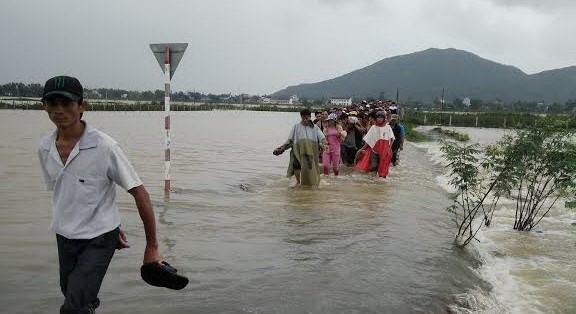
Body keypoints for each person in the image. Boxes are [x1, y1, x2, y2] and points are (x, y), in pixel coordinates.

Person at [37, 76, 163, 313]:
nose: (58, 110)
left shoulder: (105, 147)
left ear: (82, 106)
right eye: (51, 103)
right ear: (44, 106)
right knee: (76, 296)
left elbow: (140, 193)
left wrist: (152, 246)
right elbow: (65, 193)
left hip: (99, 239)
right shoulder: (44, 148)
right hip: (64, 236)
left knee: (73, 307)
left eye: (66, 103)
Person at [274, 108, 326, 186]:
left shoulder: (314, 127)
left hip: (310, 152)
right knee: (296, 166)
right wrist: (282, 148)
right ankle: (298, 182)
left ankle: (310, 184)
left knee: (310, 169)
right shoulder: (296, 127)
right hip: (298, 150)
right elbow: (290, 139)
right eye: (303, 117)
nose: (305, 119)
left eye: (307, 117)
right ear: (301, 117)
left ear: (309, 117)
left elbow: (322, 138)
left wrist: (324, 145)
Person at [354, 111, 395, 178]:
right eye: (378, 117)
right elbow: (369, 140)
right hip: (374, 150)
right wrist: (362, 149)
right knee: (374, 166)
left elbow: (392, 139)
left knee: (383, 167)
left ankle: (380, 181)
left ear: (384, 118)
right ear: (376, 118)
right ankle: (373, 180)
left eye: (381, 117)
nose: (379, 119)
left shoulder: (388, 127)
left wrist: (389, 148)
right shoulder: (373, 127)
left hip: (385, 150)